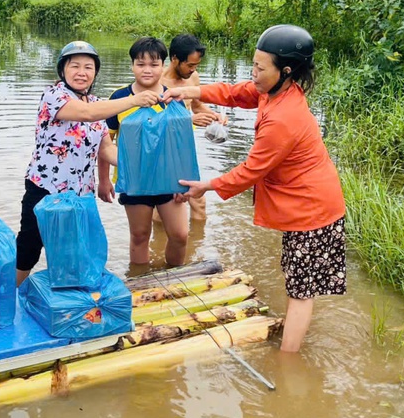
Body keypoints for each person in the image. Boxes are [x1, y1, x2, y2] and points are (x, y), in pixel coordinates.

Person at [163, 25, 346, 352]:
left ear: (285, 70)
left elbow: (250, 171)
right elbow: (237, 92)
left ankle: (288, 363)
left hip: (312, 209)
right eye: (253, 65)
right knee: (297, 282)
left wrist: (206, 185)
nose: (254, 74)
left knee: (301, 292)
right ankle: (292, 343)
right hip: (307, 203)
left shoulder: (283, 118)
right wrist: (191, 93)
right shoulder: (277, 90)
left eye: (260, 68)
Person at [16, 40, 158, 285]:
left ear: (95, 72)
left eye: (88, 67)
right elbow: (85, 114)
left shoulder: (96, 102)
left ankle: (65, 299)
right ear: (63, 70)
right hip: (45, 189)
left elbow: (106, 148)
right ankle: (10, 297)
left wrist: (136, 165)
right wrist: (135, 100)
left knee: (72, 252)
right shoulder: (54, 95)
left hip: (80, 194)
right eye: (75, 66)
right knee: (29, 248)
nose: (82, 72)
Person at [98, 37, 191, 268]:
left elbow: (182, 145)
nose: (147, 70)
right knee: (139, 235)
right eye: (141, 64)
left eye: (154, 64)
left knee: (180, 235)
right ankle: (140, 285)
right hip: (134, 181)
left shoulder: (173, 98)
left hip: (169, 179)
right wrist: (103, 181)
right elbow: (104, 143)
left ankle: (176, 277)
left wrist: (186, 184)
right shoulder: (119, 99)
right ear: (132, 66)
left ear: (163, 65)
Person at [162, 33, 225, 222]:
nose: (193, 70)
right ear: (174, 59)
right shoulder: (158, 83)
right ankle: (159, 247)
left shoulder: (193, 78)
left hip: (185, 149)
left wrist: (214, 115)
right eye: (190, 65)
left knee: (198, 201)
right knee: (166, 204)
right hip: (162, 152)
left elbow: (196, 106)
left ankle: (197, 248)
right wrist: (189, 120)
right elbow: (153, 122)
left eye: (196, 65)